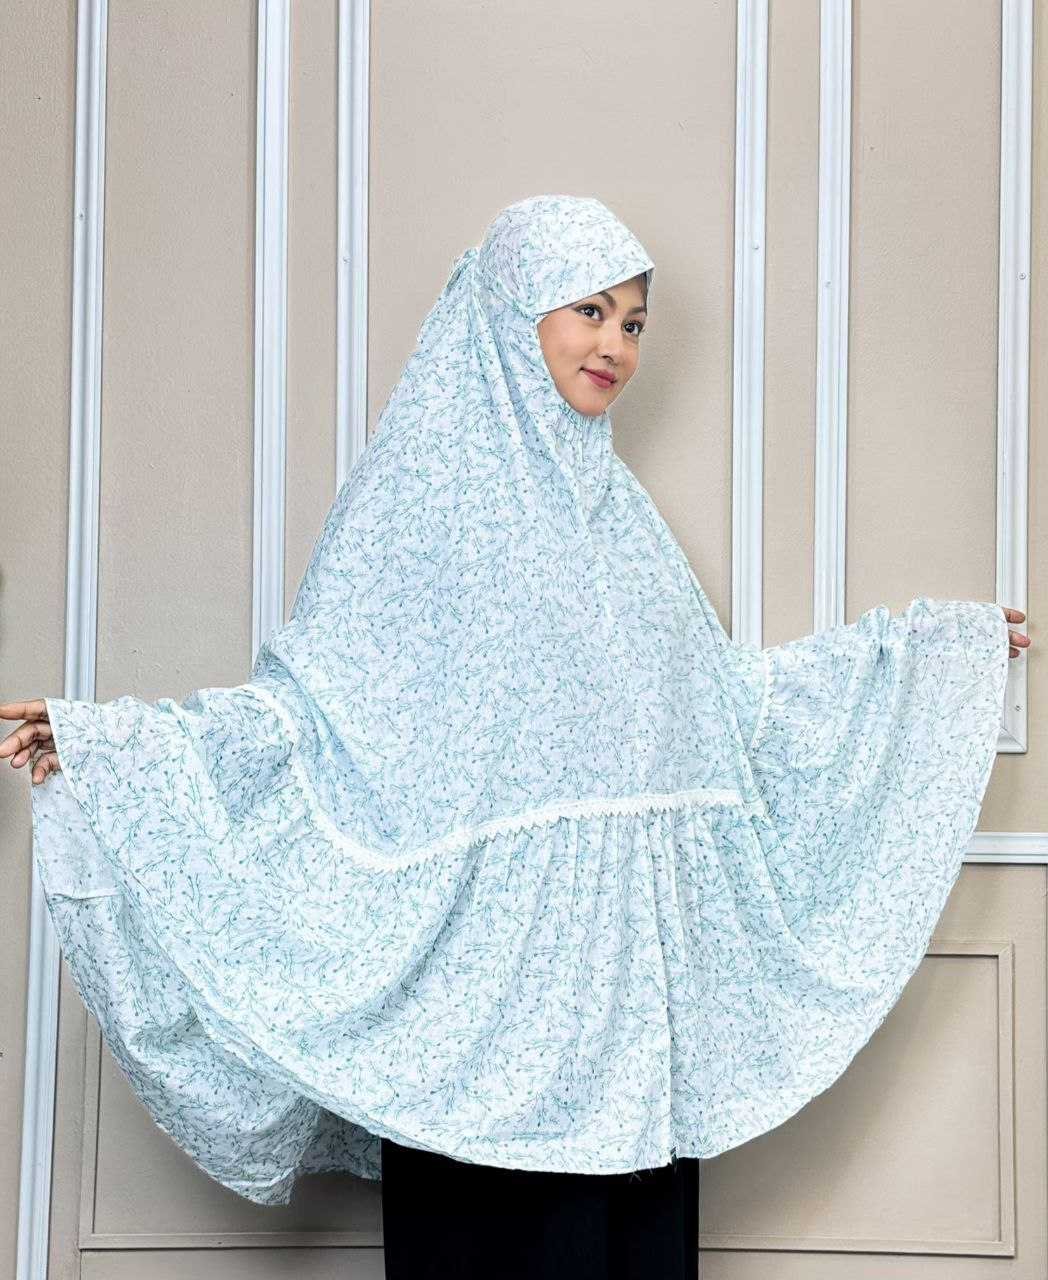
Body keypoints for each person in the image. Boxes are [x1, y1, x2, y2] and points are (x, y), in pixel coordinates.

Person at [0, 194, 1031, 1278]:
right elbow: (312, 720)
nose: (615, 343)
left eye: (634, 321)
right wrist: (114, 748)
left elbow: (723, 713)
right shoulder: (417, 509)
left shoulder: (626, 528)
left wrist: (923, 657)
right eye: (589, 308)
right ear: (509, 310)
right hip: (478, 1024)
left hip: (628, 1030)